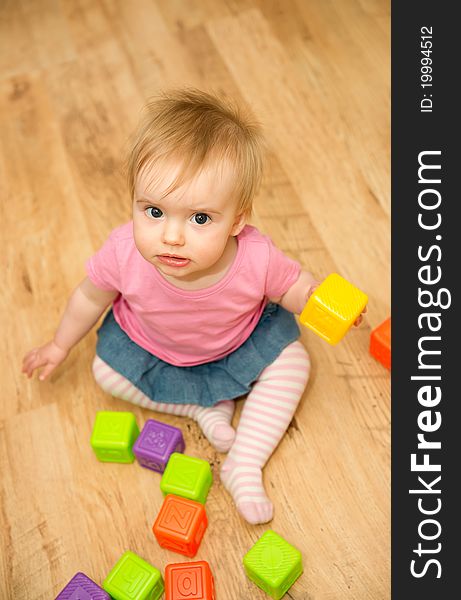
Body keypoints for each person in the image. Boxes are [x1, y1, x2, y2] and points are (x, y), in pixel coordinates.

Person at [22, 89, 364, 525]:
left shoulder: (255, 257)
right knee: (103, 371)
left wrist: (324, 304)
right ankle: (199, 407)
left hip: (237, 343)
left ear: (237, 220)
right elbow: (90, 295)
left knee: (294, 364)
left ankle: (245, 461)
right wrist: (58, 344)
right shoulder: (124, 251)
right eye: (154, 211)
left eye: (200, 218)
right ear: (133, 202)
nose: (172, 236)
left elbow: (294, 287)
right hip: (154, 347)